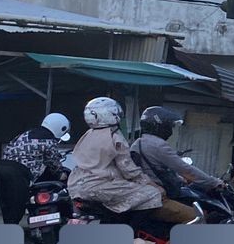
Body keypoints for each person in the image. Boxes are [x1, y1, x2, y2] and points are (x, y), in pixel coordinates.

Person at [67, 98, 197, 232]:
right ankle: (131, 232)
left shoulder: (88, 135)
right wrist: (153, 185)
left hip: (76, 185)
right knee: (152, 194)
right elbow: (129, 170)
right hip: (100, 186)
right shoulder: (115, 136)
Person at [130, 106, 225, 200]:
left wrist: (179, 179)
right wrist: (214, 182)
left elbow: (155, 170)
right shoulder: (158, 145)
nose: (170, 130)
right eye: (169, 126)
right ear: (160, 126)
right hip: (161, 194)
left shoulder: (138, 143)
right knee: (200, 213)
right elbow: (185, 169)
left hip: (147, 191)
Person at [0, 112, 69, 225]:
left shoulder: (25, 134)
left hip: (1, 169)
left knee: (7, 205)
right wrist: (61, 174)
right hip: (18, 174)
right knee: (17, 207)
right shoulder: (49, 141)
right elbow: (53, 163)